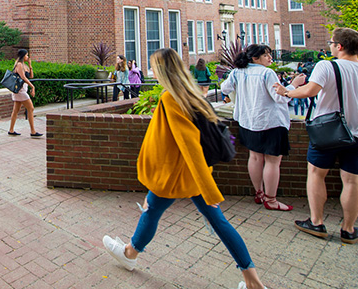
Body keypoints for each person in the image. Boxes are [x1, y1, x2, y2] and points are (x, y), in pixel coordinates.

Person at [102, 48, 268, 289]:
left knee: (154, 212)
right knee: (214, 222)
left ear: (162, 71)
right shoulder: (191, 94)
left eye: (154, 68)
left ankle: (129, 254)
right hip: (186, 174)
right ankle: (252, 280)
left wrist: (209, 190)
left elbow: (189, 145)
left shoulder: (171, 99)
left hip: (177, 174)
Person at [274, 27, 358, 244]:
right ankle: (349, 229)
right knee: (353, 181)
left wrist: (286, 92)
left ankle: (316, 222)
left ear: (340, 46)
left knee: (317, 174)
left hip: (328, 132)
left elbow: (309, 91)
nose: (330, 46)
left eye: (331, 42)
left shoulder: (327, 66)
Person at [221, 44, 295, 211]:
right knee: (272, 161)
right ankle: (271, 199)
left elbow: (225, 88)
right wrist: (293, 86)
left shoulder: (237, 72)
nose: (270, 58)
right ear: (255, 58)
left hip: (248, 121)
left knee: (254, 157)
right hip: (271, 122)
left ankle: (259, 193)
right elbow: (280, 97)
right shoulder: (267, 73)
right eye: (266, 56)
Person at [7, 49, 42, 138]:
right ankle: (33, 131)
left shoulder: (24, 65)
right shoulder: (18, 64)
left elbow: (31, 76)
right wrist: (32, 86)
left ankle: (11, 130)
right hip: (20, 91)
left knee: (16, 111)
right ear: (23, 56)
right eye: (26, 55)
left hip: (23, 90)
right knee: (31, 108)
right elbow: (23, 77)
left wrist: (30, 65)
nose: (28, 57)